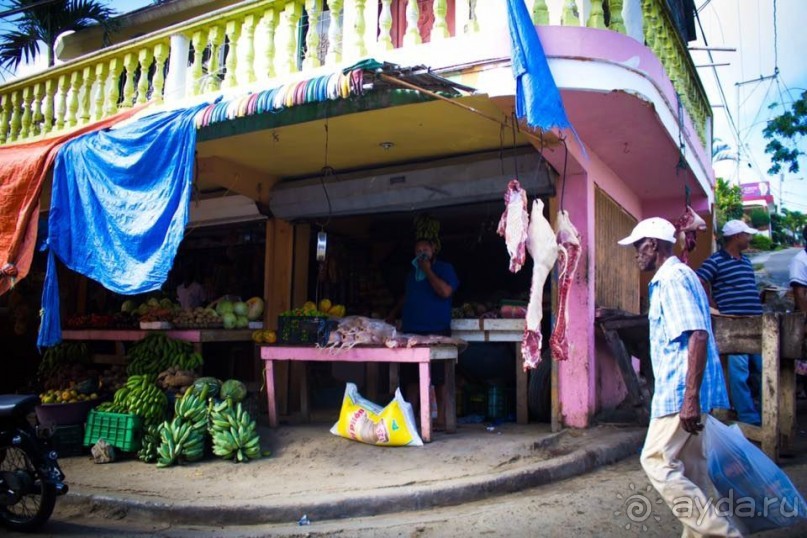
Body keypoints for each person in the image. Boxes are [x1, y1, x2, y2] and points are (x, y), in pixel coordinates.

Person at [618, 217, 740, 537]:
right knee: (692, 474)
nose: (634, 254)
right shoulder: (683, 276)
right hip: (692, 389)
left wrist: (689, 396)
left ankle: (722, 533)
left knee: (656, 460)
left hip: (679, 391)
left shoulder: (670, 279)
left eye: (637, 246)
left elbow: (697, 335)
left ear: (652, 245)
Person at [696, 219, 763, 425]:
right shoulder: (715, 261)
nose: (749, 238)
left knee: (763, 369)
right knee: (739, 372)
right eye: (746, 235)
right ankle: (748, 418)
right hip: (733, 326)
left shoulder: (746, 261)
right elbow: (699, 281)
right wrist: (711, 305)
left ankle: (763, 412)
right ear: (736, 237)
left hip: (757, 322)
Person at [387, 238, 459, 426]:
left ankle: (442, 419)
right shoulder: (412, 274)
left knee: (439, 377)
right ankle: (412, 418)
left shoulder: (444, 268)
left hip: (436, 330)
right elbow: (408, 296)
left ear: (434, 249)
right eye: (418, 249)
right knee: (411, 378)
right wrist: (393, 314)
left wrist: (427, 269)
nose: (422, 252)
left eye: (425, 248)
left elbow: (444, 292)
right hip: (412, 331)